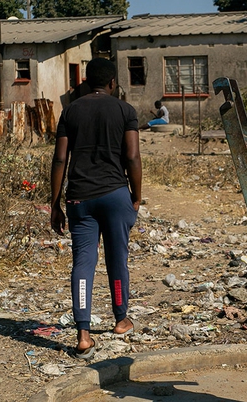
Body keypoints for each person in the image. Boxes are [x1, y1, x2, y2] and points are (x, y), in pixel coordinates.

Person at [50, 58, 142, 359]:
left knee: (83, 263)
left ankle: (83, 334)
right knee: (117, 258)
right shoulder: (125, 111)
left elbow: (60, 159)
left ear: (87, 82)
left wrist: (54, 203)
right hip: (115, 195)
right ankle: (121, 319)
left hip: (80, 198)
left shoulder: (71, 111)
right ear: (113, 83)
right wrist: (136, 195)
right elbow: (132, 157)